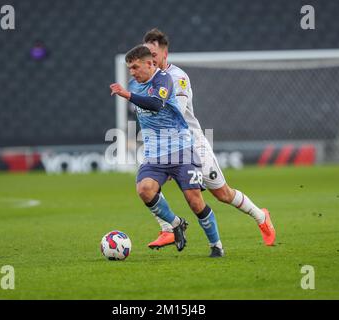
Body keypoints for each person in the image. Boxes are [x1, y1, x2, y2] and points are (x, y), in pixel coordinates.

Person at [142, 29, 275, 249]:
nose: (150, 59)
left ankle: (261, 216)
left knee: (222, 193)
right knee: (147, 185)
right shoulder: (145, 80)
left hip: (191, 144)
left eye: (153, 54)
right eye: (146, 54)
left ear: (165, 54)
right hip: (164, 145)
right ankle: (167, 229)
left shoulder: (178, 78)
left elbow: (175, 110)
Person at [110, 45, 224, 257]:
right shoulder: (135, 84)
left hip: (181, 150)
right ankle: (176, 224)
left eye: (135, 67)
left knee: (194, 201)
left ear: (150, 63)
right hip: (154, 154)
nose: (132, 72)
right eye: (129, 69)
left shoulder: (164, 80)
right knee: (144, 190)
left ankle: (216, 245)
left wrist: (126, 95)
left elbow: (155, 104)